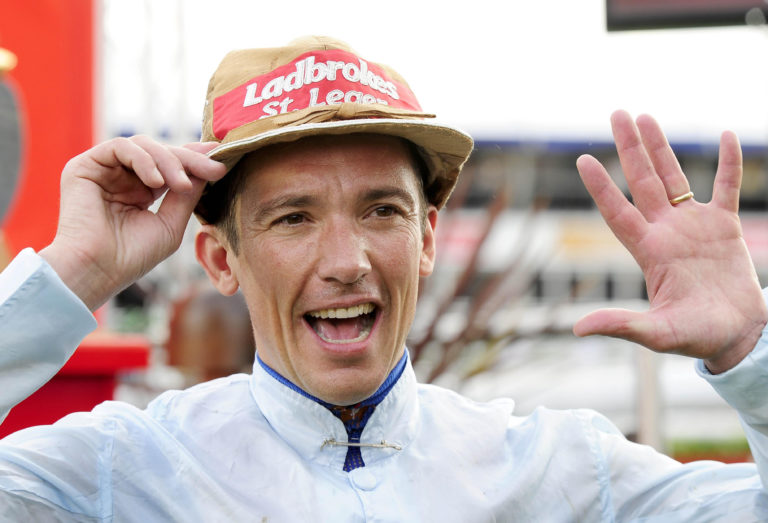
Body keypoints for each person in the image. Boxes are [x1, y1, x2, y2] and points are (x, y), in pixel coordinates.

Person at [0, 35, 766, 521]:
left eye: (381, 211)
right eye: (294, 217)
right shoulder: (123, 470)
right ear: (222, 260)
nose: (346, 262)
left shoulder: (554, 467)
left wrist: (750, 355)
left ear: (427, 236)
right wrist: (73, 273)